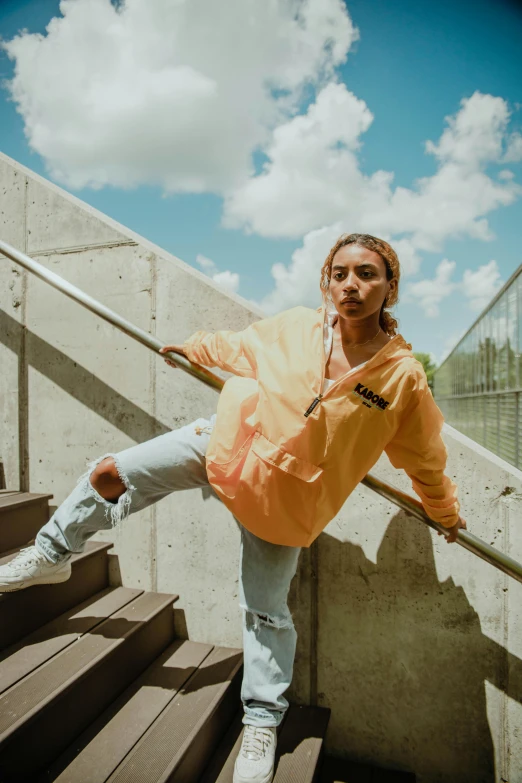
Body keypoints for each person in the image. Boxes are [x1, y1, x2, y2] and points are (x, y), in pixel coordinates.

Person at [0, 233, 466, 783]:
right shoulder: (297, 326)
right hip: (227, 445)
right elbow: (239, 346)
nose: (351, 286)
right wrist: (193, 347)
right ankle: (51, 552)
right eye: (340, 273)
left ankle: (263, 721)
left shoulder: (401, 377)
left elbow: (424, 455)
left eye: (367, 274)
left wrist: (442, 509)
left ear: (390, 286)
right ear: (326, 280)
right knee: (109, 474)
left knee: (266, 612)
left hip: (286, 503)